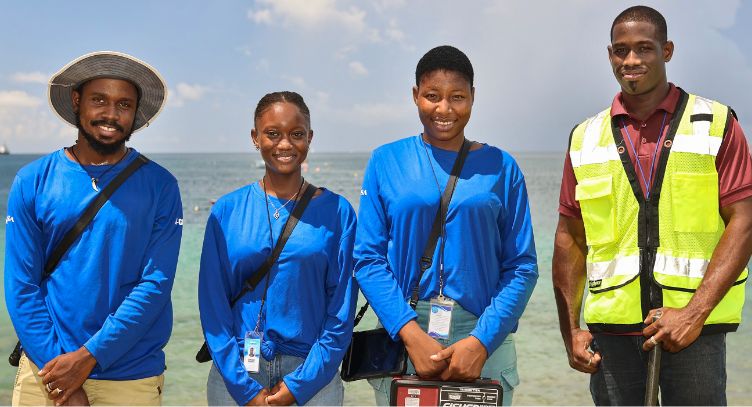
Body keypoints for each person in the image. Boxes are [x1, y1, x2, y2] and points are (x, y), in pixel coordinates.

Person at [552, 5, 752, 405]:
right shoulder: (585, 137)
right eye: (621, 50)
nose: (631, 60)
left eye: (644, 48)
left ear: (668, 50)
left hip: (694, 332)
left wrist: (694, 314)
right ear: (610, 55)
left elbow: (744, 223)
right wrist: (570, 330)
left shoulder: (714, 122)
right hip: (611, 333)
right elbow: (570, 240)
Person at [354, 45, 538, 406]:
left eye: (457, 97)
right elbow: (367, 259)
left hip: (483, 335)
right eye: (432, 97)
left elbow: (522, 266)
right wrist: (410, 334)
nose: (444, 109)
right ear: (415, 96)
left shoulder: (502, 167)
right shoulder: (386, 160)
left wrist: (481, 342)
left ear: (473, 97)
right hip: (405, 333)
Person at [4, 51, 183, 406]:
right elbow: (21, 287)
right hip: (45, 371)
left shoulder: (161, 186)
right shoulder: (32, 181)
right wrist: (61, 377)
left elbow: (155, 286)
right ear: (77, 101)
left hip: (131, 377)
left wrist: (88, 358)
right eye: (99, 100)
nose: (111, 114)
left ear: (135, 113)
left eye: (124, 104)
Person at [198, 91, 357, 406]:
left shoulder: (338, 212)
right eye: (273, 134)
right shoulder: (226, 211)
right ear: (255, 138)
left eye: (296, 134)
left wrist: (301, 384)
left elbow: (341, 311)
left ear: (309, 138)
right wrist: (244, 388)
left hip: (312, 377)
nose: (285, 144)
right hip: (237, 374)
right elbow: (212, 307)